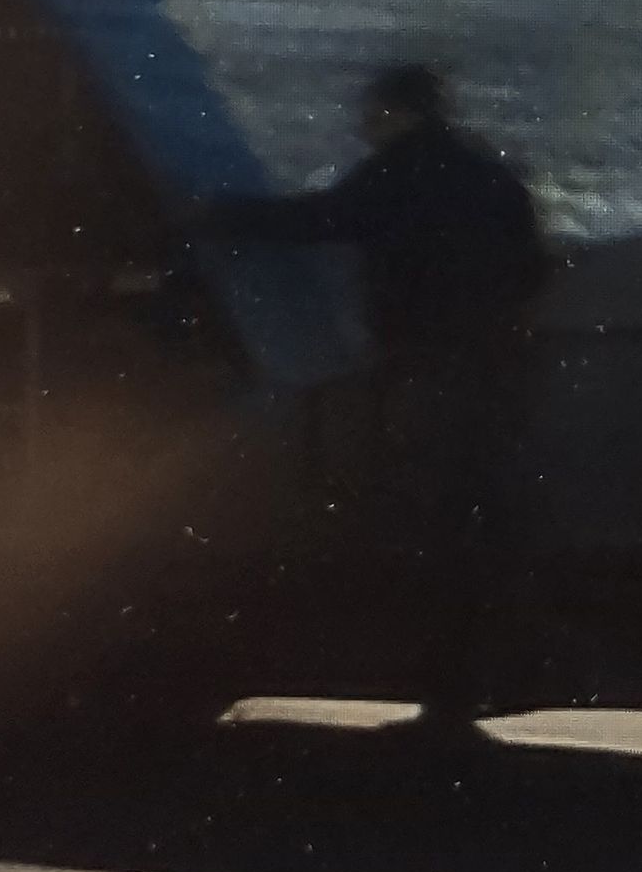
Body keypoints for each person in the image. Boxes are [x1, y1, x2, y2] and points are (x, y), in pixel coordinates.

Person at [203, 64, 553, 740]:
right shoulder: (490, 175)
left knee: (436, 524)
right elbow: (533, 268)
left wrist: (222, 213)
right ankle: (505, 672)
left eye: (372, 112)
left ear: (397, 113)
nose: (363, 124)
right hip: (498, 365)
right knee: (492, 519)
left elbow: (322, 219)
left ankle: (448, 695)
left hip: (428, 362)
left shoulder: (398, 173)